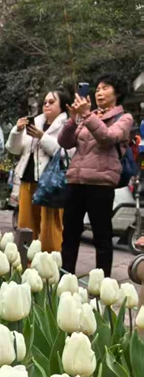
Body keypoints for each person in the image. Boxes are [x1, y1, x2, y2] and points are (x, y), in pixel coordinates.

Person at [58, 74, 134, 276]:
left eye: (105, 88)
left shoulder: (124, 118)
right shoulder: (88, 116)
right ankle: (65, 280)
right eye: (98, 88)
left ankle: (102, 286)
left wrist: (87, 116)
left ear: (117, 92)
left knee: (102, 236)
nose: (99, 92)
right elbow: (65, 142)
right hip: (75, 180)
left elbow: (108, 138)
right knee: (70, 234)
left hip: (101, 184)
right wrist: (74, 120)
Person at [6, 89, 73, 252]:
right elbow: (14, 149)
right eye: (45, 102)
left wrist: (42, 137)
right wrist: (17, 131)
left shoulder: (68, 125)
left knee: (50, 226)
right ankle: (25, 261)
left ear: (63, 106)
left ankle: (49, 263)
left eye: (52, 102)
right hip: (26, 180)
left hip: (50, 184)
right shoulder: (34, 123)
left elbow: (67, 152)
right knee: (25, 224)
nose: (47, 105)